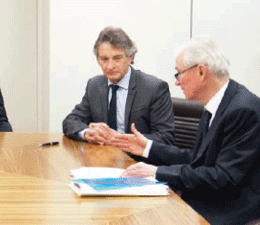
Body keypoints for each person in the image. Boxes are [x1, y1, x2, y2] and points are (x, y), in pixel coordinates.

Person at [112, 37, 260, 225]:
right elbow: (199, 160)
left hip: (228, 209)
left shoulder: (242, 110)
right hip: (206, 197)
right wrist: (148, 147)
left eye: (178, 73)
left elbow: (223, 177)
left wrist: (157, 172)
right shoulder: (217, 103)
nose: (177, 83)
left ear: (201, 71)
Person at [63, 26, 175, 146]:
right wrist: (87, 133)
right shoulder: (94, 85)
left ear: (130, 57)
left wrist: (118, 139)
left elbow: (165, 138)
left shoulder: (154, 88)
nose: (110, 66)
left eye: (117, 58)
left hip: (137, 161)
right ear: (97, 60)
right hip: (102, 157)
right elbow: (71, 121)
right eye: (104, 59)